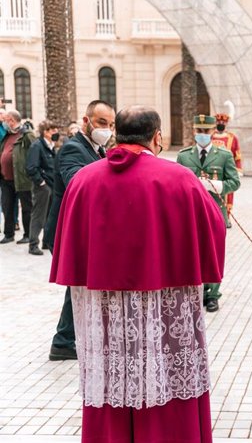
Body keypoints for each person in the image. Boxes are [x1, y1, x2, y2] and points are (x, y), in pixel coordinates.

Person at [50, 105, 224, 443]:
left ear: (117, 133)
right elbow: (213, 231)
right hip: (164, 304)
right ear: (157, 137)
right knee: (166, 375)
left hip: (107, 310)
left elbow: (67, 238)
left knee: (113, 378)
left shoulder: (84, 180)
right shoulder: (180, 178)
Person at [45, 100, 116, 361]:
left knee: (80, 284)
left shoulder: (96, 149)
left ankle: (67, 338)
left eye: (110, 125)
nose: (106, 129)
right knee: (78, 284)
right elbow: (78, 183)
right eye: (101, 123)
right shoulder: (74, 148)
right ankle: (63, 341)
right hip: (65, 232)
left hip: (80, 230)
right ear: (86, 121)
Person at [177, 114, 240, 311]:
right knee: (193, 251)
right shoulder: (184, 155)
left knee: (214, 252)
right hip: (191, 212)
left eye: (206, 131)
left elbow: (235, 182)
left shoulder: (224, 155)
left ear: (213, 131)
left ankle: (213, 294)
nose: (202, 135)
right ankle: (198, 290)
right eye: (199, 131)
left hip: (214, 210)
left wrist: (216, 186)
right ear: (194, 132)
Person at [0, 110, 35, 244]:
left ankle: (28, 234)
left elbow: (34, 154)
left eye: (6, 120)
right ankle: (9, 234)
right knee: (7, 206)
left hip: (22, 179)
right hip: (6, 179)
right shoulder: (8, 135)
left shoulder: (27, 135)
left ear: (12, 120)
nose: (4, 122)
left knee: (27, 208)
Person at [25, 120, 59, 255]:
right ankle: (33, 244)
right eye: (53, 130)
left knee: (50, 215)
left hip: (51, 186)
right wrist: (41, 182)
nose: (56, 132)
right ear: (45, 132)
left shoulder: (51, 146)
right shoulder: (37, 146)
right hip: (43, 187)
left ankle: (46, 241)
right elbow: (31, 167)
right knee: (38, 215)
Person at [211, 113, 243, 222]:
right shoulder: (210, 136)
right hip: (212, 171)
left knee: (228, 194)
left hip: (227, 171)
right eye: (219, 122)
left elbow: (237, 155)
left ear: (226, 124)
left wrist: (238, 170)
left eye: (223, 123)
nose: (221, 124)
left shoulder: (232, 138)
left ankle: (226, 217)